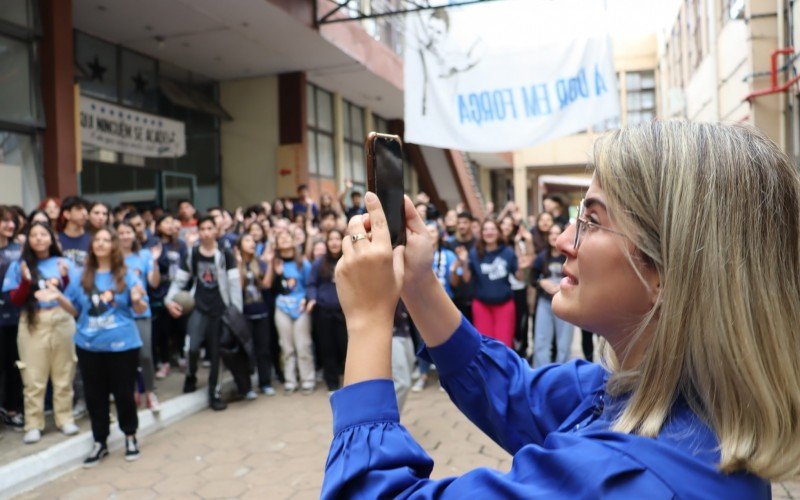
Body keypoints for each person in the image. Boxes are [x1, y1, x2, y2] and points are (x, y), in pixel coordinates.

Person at [321, 122, 800, 498]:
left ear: (666, 273)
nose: (561, 240)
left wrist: (366, 322)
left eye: (591, 221)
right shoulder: (662, 399)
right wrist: (420, 285)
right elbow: (512, 393)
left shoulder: (624, 478)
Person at [58, 228, 148, 467]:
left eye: (106, 240)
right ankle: (100, 442)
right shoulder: (81, 276)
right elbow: (76, 309)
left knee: (123, 393)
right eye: (96, 240)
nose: (100, 243)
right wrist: (57, 297)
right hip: (89, 345)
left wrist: (138, 300)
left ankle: (130, 436)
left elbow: (139, 309)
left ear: (113, 245)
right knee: (94, 396)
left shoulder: (126, 274)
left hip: (123, 345)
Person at [2, 222, 78, 444]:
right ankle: (33, 423)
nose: (38, 239)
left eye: (43, 234)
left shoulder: (64, 263)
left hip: (62, 319)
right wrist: (26, 281)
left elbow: (75, 295)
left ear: (51, 238)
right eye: (33, 235)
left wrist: (64, 279)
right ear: (27, 240)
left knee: (64, 373)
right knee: (33, 377)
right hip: (32, 321)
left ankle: (65, 418)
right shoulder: (20, 265)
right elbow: (14, 300)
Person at [165, 216, 242, 411]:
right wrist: (169, 299)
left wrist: (236, 312)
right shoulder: (192, 254)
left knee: (217, 354)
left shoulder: (225, 254)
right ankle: (190, 375)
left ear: (216, 231)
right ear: (198, 232)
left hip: (220, 310)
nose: (206, 232)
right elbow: (180, 280)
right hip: (198, 308)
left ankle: (213, 394)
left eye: (210, 228)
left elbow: (234, 284)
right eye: (203, 229)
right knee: (192, 347)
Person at [116, 220, 162, 413]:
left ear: (135, 235)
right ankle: (132, 390)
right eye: (121, 232)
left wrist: (155, 261)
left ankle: (150, 392)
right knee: (126, 357)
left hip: (142, 311)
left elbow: (153, 283)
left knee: (146, 355)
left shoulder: (144, 255)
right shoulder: (113, 258)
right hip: (119, 313)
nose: (126, 236)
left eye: (129, 232)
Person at [453, 219, 519, 348]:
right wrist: (464, 261)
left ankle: (501, 369)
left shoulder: (508, 252)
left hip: (504, 305)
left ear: (499, 233)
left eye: (493, 229)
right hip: (482, 306)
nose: (489, 232)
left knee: (503, 345)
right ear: (481, 233)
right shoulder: (474, 253)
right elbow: (466, 279)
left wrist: (522, 263)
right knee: (484, 345)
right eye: (486, 229)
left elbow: (519, 276)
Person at [264, 229, 314, 395]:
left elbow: (310, 285)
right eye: (281, 238)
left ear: (294, 241)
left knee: (303, 345)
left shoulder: (303, 263)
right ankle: (290, 381)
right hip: (282, 307)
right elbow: (268, 285)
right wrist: (274, 269)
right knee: (286, 347)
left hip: (300, 308)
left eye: (287, 237)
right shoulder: (275, 262)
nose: (284, 240)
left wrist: (305, 300)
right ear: (277, 244)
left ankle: (307, 380)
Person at [306, 229, 346, 393]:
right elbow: (311, 284)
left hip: (345, 312)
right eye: (331, 239)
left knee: (346, 347)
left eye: (338, 239)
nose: (335, 242)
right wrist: (312, 298)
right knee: (327, 348)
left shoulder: (348, 259)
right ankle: (332, 384)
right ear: (327, 243)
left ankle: (350, 382)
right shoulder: (319, 262)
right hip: (323, 312)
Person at [236, 232, 275, 396]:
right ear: (239, 245)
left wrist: (271, 262)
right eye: (247, 240)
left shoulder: (259, 262)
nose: (252, 243)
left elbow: (266, 284)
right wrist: (239, 264)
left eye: (253, 241)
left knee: (263, 349)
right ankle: (248, 388)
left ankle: (265, 383)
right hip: (244, 315)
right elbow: (238, 286)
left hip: (261, 312)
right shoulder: (236, 264)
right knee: (246, 351)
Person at [531, 224, 575, 367]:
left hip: (566, 303)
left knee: (564, 344)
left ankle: (562, 378)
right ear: (547, 237)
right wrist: (541, 282)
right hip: (545, 303)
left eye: (558, 233)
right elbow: (532, 278)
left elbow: (580, 278)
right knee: (541, 342)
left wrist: (563, 286)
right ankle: (542, 377)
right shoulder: (541, 257)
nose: (554, 236)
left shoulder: (571, 256)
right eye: (551, 233)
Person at [151, 214, 188, 378]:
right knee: (163, 329)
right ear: (158, 226)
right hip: (161, 290)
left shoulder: (180, 244)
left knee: (180, 325)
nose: (170, 225)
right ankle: (164, 362)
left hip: (178, 289)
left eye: (172, 221)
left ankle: (181, 356)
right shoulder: (154, 244)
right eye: (165, 222)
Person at [0, 206, 23, 433]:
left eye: (12, 221)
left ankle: (13, 410)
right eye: (4, 221)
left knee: (14, 366)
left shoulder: (19, 250)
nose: (9, 225)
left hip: (16, 318)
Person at [57, 196, 91, 268]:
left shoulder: (92, 239)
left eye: (86, 209)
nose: (84, 213)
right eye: (79, 209)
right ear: (67, 214)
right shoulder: (56, 240)